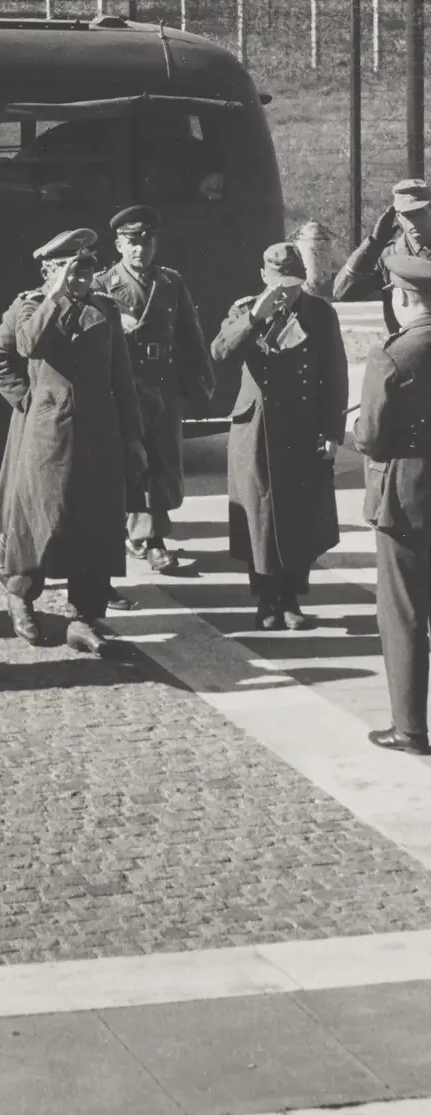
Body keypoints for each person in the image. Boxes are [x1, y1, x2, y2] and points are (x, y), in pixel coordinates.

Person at [0, 228, 147, 654]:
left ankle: (86, 616)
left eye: (86, 267)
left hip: (100, 434)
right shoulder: (30, 306)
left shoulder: (104, 310)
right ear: (47, 271)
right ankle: (20, 596)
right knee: (41, 520)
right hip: (47, 436)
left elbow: (121, 378)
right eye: (69, 269)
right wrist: (28, 402)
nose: (80, 277)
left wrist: (133, 437)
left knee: (96, 523)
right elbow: (13, 351)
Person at [212, 243, 348, 630]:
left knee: (299, 512)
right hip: (255, 427)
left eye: (292, 283)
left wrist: (331, 432)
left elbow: (335, 375)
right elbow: (220, 352)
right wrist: (256, 317)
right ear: (263, 278)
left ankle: (291, 599)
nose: (285, 292)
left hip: (303, 426)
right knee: (260, 515)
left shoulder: (319, 313)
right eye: (278, 283)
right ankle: (265, 599)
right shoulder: (245, 310)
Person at [91, 205, 214, 579]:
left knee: (164, 461)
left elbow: (190, 335)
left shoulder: (171, 282)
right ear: (118, 244)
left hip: (162, 384)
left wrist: (201, 384)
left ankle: (144, 535)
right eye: (131, 242)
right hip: (124, 385)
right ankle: (152, 539)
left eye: (146, 242)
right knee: (134, 460)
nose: (139, 250)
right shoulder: (102, 284)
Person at [353, 256, 431, 755]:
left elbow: (372, 438)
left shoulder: (396, 354)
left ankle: (409, 727)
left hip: (405, 498)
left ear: (403, 298)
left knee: (402, 614)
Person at [333, 178, 431, 333]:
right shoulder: (389, 255)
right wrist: (373, 245)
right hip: (405, 347)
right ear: (398, 217)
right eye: (407, 215)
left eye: (419, 213)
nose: (413, 222)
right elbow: (342, 292)